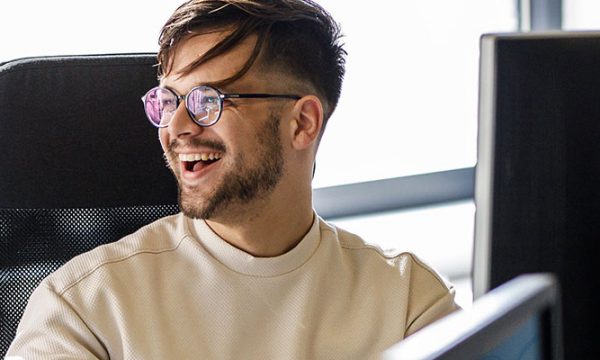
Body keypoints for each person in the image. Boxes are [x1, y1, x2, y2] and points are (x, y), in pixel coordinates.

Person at [7, 0, 459, 358]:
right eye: (169, 100)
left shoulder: (408, 302)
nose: (177, 128)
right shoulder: (84, 307)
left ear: (302, 123)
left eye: (209, 100)